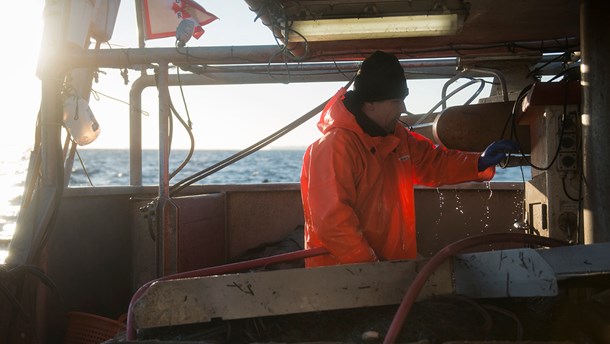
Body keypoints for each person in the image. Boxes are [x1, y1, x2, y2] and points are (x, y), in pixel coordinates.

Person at [300, 51, 519, 267]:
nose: (403, 109)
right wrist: (371, 268)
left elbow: (433, 163)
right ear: (370, 103)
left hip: (388, 269)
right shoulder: (333, 147)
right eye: (396, 101)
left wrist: (478, 162)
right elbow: (332, 223)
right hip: (342, 279)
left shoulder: (397, 137)